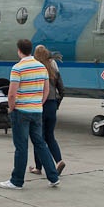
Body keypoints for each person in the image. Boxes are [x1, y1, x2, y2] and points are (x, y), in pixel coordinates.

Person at [0, 39, 60, 190]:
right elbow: (46, 90)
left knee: (21, 147)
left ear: (19, 50)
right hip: (37, 111)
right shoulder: (42, 67)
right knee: (40, 144)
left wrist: (12, 108)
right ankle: (53, 177)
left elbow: (12, 94)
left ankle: (17, 181)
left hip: (21, 111)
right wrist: (38, 103)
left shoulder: (17, 68)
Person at [29, 45, 67, 176]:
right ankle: (59, 160)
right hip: (52, 106)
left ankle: (38, 167)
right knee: (50, 136)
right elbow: (62, 90)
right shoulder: (54, 70)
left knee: (38, 137)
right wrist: (57, 104)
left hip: (39, 105)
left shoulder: (36, 69)